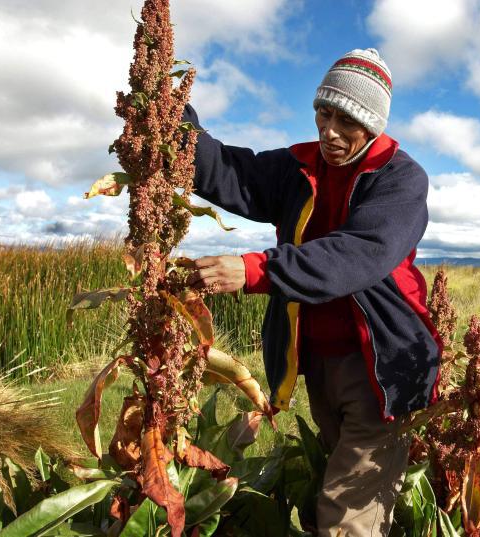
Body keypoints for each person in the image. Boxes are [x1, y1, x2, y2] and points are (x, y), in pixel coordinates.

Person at [183, 48, 442, 536]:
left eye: (346, 120)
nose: (330, 131)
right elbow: (228, 173)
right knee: (344, 489)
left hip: (383, 368)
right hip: (321, 365)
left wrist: (255, 269)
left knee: (346, 517)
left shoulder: (401, 179)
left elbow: (357, 254)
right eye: (323, 113)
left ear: (373, 124)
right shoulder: (298, 167)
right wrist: (173, 118)